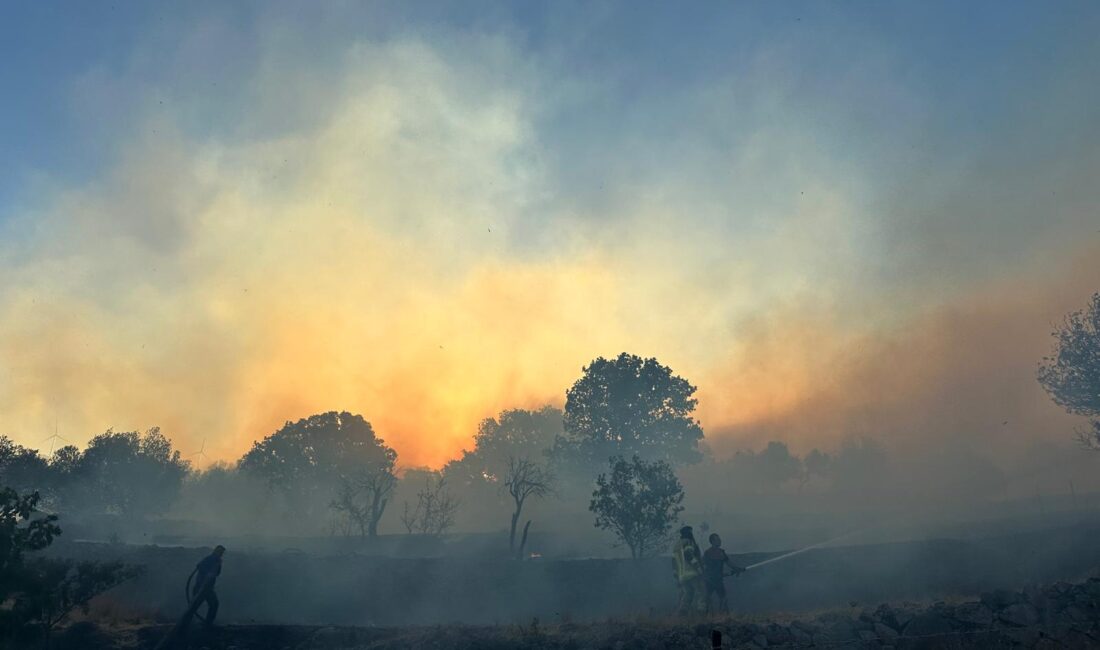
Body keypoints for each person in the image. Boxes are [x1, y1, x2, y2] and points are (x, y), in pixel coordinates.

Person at [703, 533, 744, 614]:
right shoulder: (707, 553)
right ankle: (704, 617)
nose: (720, 541)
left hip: (718, 580)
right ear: (712, 541)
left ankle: (724, 616)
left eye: (719, 539)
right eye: (717, 539)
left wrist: (738, 569)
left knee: (723, 599)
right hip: (710, 580)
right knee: (707, 600)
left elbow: (729, 563)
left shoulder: (721, 552)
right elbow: (704, 567)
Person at [188, 545, 225, 628]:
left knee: (213, 604)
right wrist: (207, 573)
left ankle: (207, 624)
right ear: (216, 551)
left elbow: (217, 573)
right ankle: (185, 623)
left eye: (222, 552)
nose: (221, 554)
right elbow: (199, 566)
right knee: (194, 607)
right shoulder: (210, 558)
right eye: (220, 552)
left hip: (208, 588)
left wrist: (217, 566)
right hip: (201, 587)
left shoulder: (217, 561)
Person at [671, 526, 705, 615]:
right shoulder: (688, 542)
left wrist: (677, 576)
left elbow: (673, 562)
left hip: (682, 575)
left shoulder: (676, 545)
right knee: (701, 592)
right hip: (692, 573)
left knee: (688, 594)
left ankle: (682, 613)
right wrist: (698, 568)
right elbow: (688, 554)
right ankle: (701, 613)